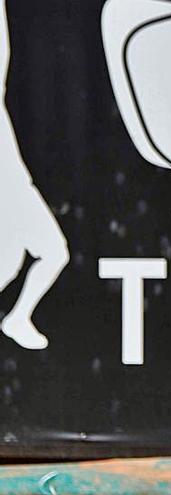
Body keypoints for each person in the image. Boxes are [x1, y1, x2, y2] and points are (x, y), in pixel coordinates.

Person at [0, 2, 69, 350]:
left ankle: (17, 318)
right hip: (12, 193)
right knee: (53, 253)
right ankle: (17, 318)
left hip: (14, 192)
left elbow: (3, 56)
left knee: (20, 260)